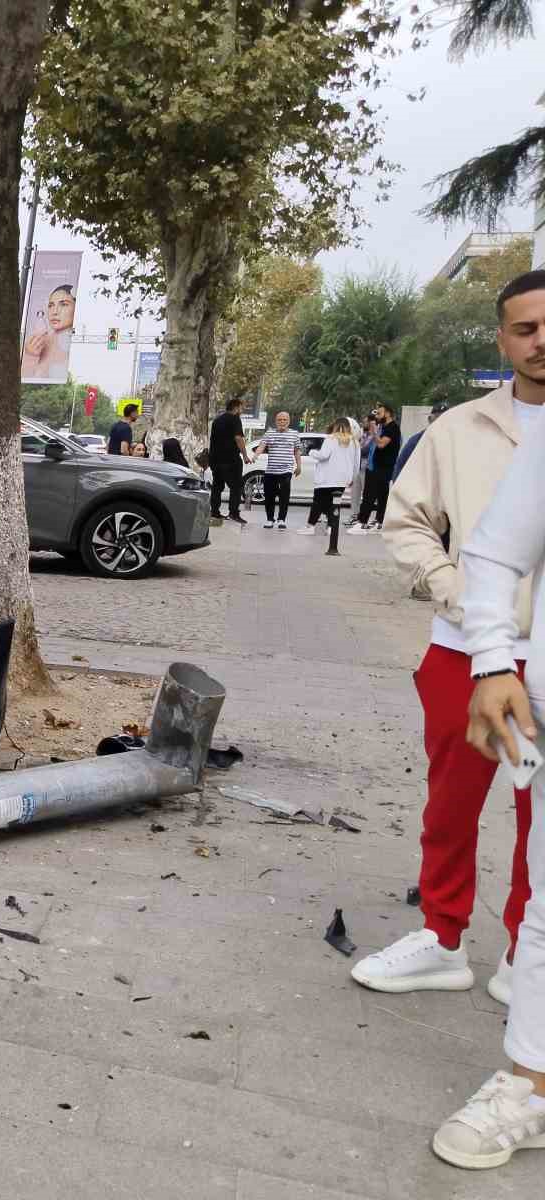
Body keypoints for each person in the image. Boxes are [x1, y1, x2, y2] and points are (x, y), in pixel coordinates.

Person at [351, 271, 545, 1012]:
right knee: (450, 806)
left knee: (542, 819)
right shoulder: (460, 429)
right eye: (524, 329)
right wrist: (458, 592)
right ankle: (442, 937)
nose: (540, 341)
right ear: (501, 338)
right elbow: (406, 523)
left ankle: (527, 955)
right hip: (465, 651)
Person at [434, 271, 545, 1170]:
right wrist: (494, 658)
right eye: (527, 326)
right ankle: (527, 1082)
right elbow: (488, 553)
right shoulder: (464, 429)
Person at [294, 418, 356, 536]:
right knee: (334, 504)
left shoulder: (330, 439)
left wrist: (312, 452)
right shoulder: (353, 442)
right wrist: (351, 477)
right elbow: (355, 461)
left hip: (326, 478)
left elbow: (323, 455)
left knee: (318, 502)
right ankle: (331, 527)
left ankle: (310, 526)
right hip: (342, 479)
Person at [349, 403, 401, 532]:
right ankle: (380, 521)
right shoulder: (383, 427)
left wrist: (373, 432)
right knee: (381, 495)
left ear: (388, 413)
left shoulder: (392, 428)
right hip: (373, 466)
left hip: (382, 467)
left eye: (379, 413)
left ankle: (362, 522)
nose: (377, 416)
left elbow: (381, 444)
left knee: (370, 495)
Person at [249, 412, 302, 529]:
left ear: (288, 421)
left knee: (284, 496)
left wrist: (299, 466)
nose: (282, 422)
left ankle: (281, 519)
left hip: (286, 470)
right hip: (271, 470)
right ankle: (270, 519)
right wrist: (256, 455)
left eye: (284, 420)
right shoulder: (269, 433)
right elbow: (262, 445)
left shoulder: (294, 434)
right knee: (269, 496)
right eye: (280, 420)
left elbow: (297, 451)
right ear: (276, 421)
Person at [208, 397, 249, 526]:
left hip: (215, 459)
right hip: (230, 460)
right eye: (242, 408)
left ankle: (214, 512)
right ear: (236, 407)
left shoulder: (217, 420)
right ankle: (234, 513)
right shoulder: (235, 418)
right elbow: (238, 438)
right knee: (236, 487)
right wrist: (245, 455)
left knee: (217, 486)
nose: (242, 410)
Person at [21, 284, 76, 378]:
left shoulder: (75, 347)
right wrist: (30, 356)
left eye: (63, 304)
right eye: (51, 305)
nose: (55, 311)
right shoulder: (35, 344)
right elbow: (23, 378)